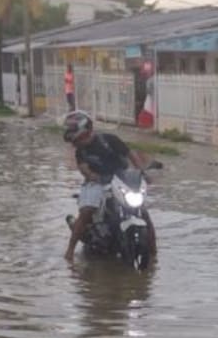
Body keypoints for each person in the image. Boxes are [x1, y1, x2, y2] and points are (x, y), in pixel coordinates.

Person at [62, 110, 156, 261]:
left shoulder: (109, 140)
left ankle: (154, 253)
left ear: (83, 130)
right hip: (97, 182)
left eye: (73, 132)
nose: (74, 140)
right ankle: (70, 251)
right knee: (86, 211)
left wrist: (142, 172)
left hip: (121, 179)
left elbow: (130, 153)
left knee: (143, 212)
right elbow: (83, 168)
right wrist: (93, 176)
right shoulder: (81, 151)